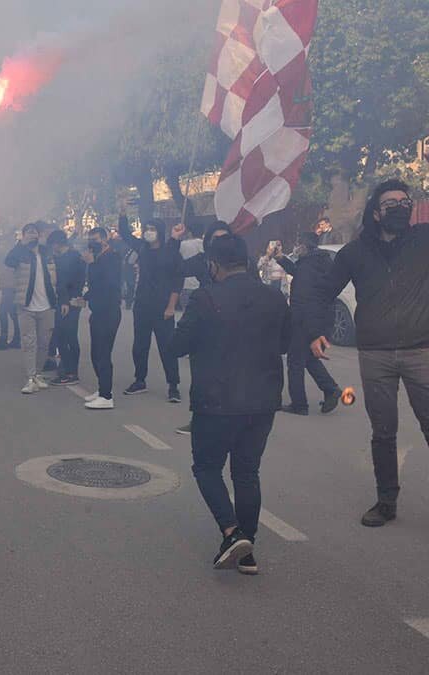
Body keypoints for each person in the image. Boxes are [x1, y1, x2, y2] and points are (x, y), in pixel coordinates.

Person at [310, 180, 429, 528]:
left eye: (405, 202)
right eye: (391, 203)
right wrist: (315, 330)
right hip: (375, 355)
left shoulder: (424, 240)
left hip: (421, 351)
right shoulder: (354, 253)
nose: (400, 207)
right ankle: (386, 501)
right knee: (383, 431)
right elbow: (324, 292)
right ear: (376, 212)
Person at [169, 233, 290, 575]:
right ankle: (247, 553)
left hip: (216, 401)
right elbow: (284, 343)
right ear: (247, 261)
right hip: (262, 401)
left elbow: (177, 345)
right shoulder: (274, 298)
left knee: (207, 468)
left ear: (213, 265)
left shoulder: (205, 297)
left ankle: (232, 532)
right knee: (247, 472)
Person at [174, 221, 234, 435]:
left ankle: (230, 420)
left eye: (224, 238)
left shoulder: (241, 262)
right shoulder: (202, 261)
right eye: (215, 238)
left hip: (233, 325)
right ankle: (199, 420)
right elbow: (176, 268)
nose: (220, 243)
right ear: (207, 241)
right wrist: (174, 241)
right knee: (202, 378)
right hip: (206, 324)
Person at [275, 231, 342, 416]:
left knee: (295, 361)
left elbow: (304, 300)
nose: (296, 248)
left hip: (305, 321)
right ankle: (331, 389)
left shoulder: (308, 266)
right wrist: (281, 259)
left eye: (298, 244)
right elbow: (298, 272)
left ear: (304, 246)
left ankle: (299, 404)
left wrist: (312, 331)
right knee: (309, 358)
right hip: (320, 319)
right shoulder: (318, 262)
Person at [119, 216, 183, 402]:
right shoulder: (142, 248)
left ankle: (173, 385)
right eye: (147, 228)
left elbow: (177, 282)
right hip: (142, 306)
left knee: (167, 347)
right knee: (140, 345)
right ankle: (140, 380)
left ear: (160, 232)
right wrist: (122, 211)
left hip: (163, 308)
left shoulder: (170, 252)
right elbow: (125, 234)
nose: (149, 232)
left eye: (152, 228)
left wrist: (171, 306)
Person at [5, 222, 57, 394]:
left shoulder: (47, 252)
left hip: (47, 305)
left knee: (44, 343)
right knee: (29, 342)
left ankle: (38, 374)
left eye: (35, 232)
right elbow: (8, 261)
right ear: (24, 235)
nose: (32, 235)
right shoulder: (20, 253)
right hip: (26, 306)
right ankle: (30, 377)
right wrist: (21, 244)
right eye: (29, 232)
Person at [81, 227, 122, 410]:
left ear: (105, 240)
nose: (92, 243)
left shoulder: (112, 258)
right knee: (95, 353)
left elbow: (107, 284)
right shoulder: (98, 258)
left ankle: (106, 396)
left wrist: (92, 265)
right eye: (90, 239)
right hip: (97, 312)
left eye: (96, 239)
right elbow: (95, 287)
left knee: (103, 354)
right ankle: (103, 389)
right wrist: (85, 297)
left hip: (108, 312)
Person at [47, 229, 85, 385]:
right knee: (60, 336)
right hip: (63, 301)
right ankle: (65, 368)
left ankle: (71, 373)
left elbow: (73, 283)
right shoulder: (61, 257)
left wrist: (66, 302)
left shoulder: (73, 258)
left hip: (70, 302)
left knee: (69, 337)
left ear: (57, 243)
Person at [0, 237, 21, 350]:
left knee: (2, 312)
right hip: (9, 285)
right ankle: (17, 339)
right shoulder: (12, 252)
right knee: (13, 313)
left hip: (10, 286)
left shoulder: (10, 253)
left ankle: (3, 340)